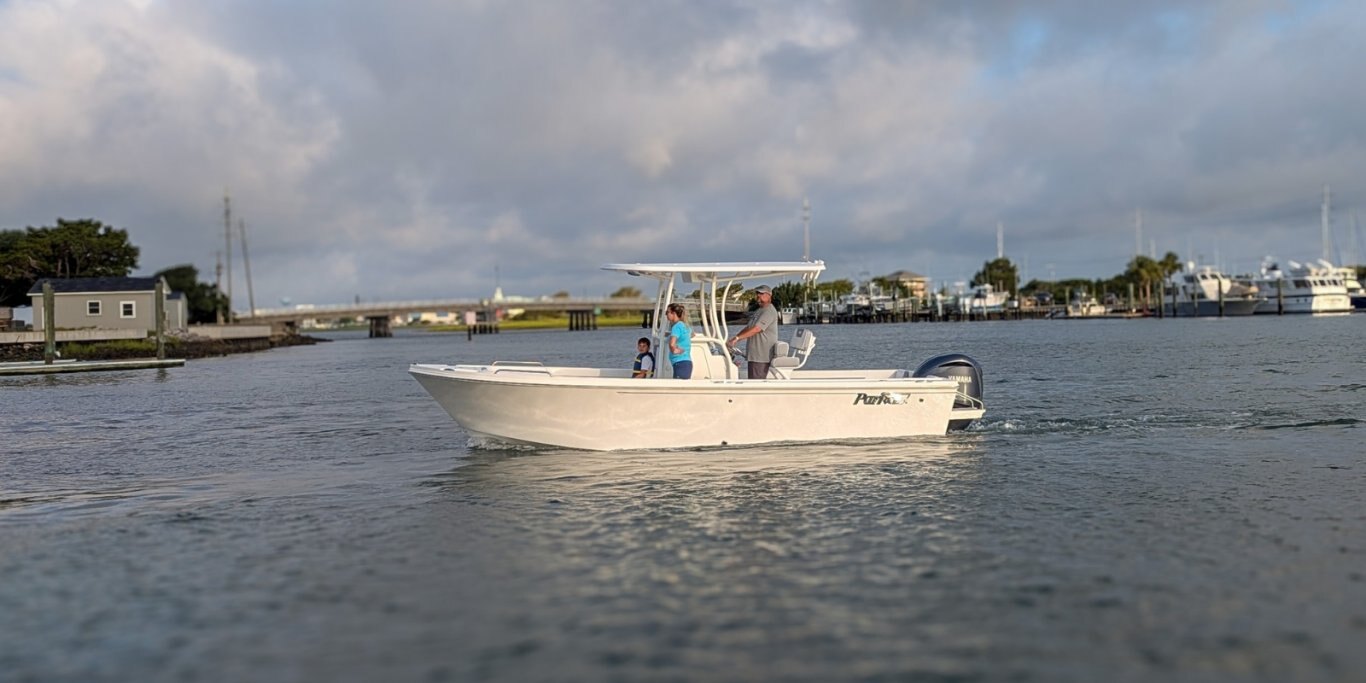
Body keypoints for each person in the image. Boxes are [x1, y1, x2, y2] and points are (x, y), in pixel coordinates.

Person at [727, 284, 778, 379]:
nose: (758, 295)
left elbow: (757, 329)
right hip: (754, 354)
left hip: (761, 355)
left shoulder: (769, 311)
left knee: (757, 382)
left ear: (769, 295)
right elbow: (749, 327)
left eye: (761, 293)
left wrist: (738, 338)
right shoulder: (759, 310)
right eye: (757, 293)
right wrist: (735, 339)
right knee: (752, 380)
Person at [665, 303, 692, 379]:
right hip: (686, 362)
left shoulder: (676, 327)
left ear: (673, 313)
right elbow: (692, 334)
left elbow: (672, 344)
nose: (666, 315)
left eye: (667, 312)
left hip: (680, 363)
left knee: (679, 389)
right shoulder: (685, 325)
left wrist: (674, 350)